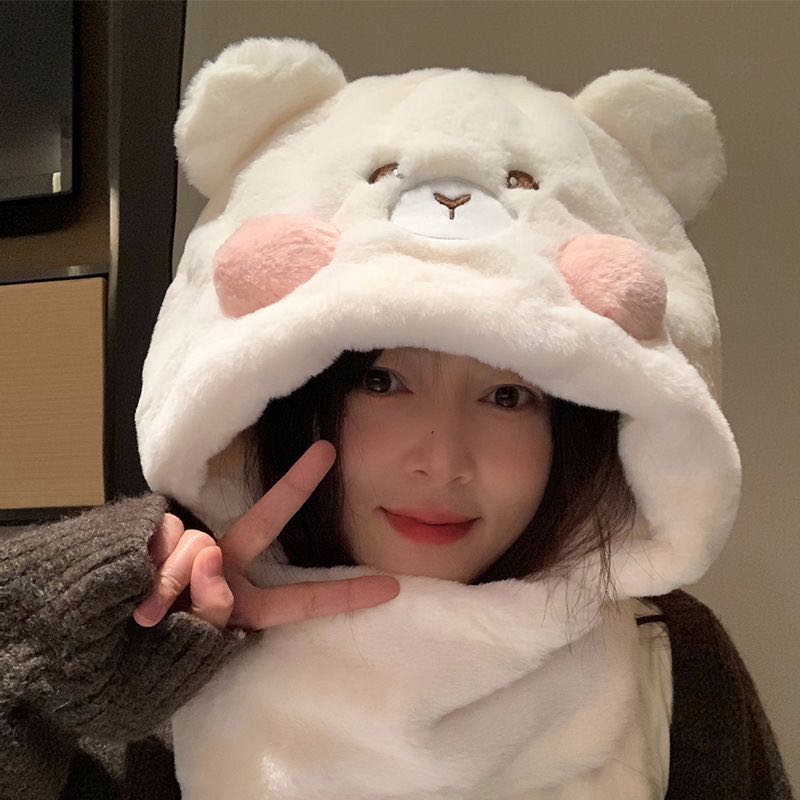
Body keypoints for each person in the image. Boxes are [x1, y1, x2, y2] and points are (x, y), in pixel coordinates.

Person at [1, 36, 795, 800]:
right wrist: (53, 623)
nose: (442, 461)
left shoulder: (668, 664)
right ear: (283, 396)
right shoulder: (158, 659)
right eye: (381, 382)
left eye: (508, 396)